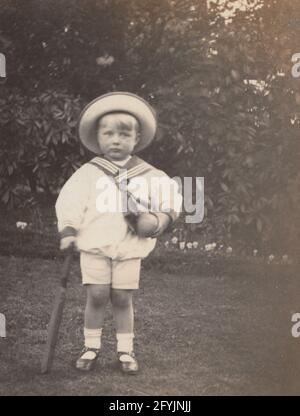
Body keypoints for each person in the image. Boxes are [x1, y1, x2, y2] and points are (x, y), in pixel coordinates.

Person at [55, 92, 182, 374]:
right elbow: (70, 201)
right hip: (95, 245)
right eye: (109, 134)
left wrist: (160, 218)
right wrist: (68, 229)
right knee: (97, 295)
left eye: (124, 135)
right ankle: (91, 346)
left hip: (129, 246)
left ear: (136, 139)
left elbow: (172, 199)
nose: (116, 140)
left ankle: (125, 351)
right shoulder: (89, 173)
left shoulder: (149, 174)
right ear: (98, 138)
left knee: (123, 297)